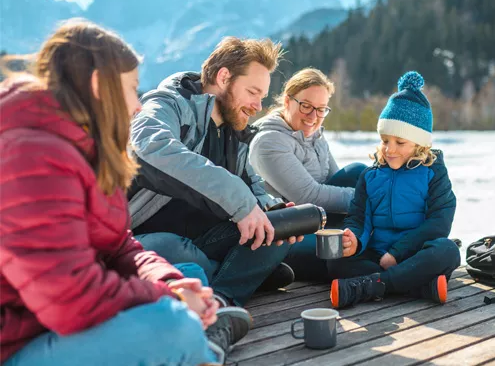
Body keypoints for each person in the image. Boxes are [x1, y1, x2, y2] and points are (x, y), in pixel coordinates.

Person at [0, 20, 250, 366]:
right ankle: (203, 345)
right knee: (172, 326)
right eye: (133, 89)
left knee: (188, 276)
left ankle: (202, 343)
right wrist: (167, 299)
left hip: (54, 324)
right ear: (99, 86)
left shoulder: (89, 152)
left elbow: (119, 245)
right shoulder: (32, 157)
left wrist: (171, 283)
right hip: (17, 344)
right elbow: (69, 299)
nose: (137, 105)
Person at [128, 37, 302, 307]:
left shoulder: (235, 133)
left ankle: (220, 298)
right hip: (139, 240)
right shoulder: (169, 104)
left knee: (276, 230)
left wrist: (274, 212)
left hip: (205, 238)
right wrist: (237, 199)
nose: (258, 106)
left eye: (262, 97)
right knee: (184, 253)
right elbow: (149, 149)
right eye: (253, 92)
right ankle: (237, 277)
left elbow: (254, 188)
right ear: (223, 77)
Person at [327, 71, 461, 309]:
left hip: (413, 255)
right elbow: (358, 219)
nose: (390, 149)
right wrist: (354, 241)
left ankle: (372, 285)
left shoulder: (434, 173)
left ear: (419, 144)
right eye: (385, 140)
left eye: (400, 143)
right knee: (336, 262)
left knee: (448, 251)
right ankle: (419, 286)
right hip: (377, 256)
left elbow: (439, 223)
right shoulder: (370, 176)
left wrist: (397, 254)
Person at [249, 68, 366, 281]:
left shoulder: (316, 136)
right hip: (287, 233)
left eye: (321, 109)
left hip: (319, 219)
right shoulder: (268, 142)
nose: (313, 117)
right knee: (339, 248)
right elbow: (309, 196)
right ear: (287, 101)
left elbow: (337, 182)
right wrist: (370, 200)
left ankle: (394, 233)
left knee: (359, 173)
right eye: (306, 106)